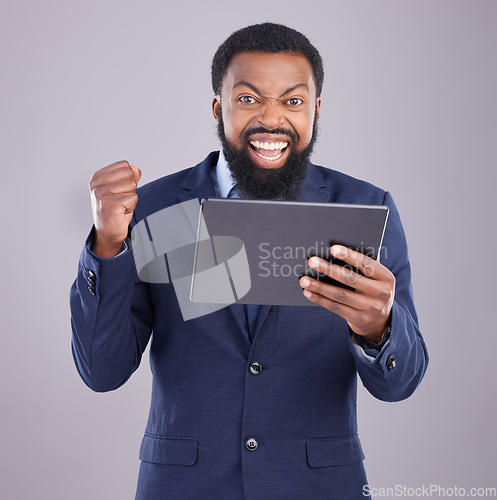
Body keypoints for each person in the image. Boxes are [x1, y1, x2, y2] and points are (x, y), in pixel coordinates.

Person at [70, 23, 428, 500]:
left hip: (319, 486)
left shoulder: (366, 208)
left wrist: (378, 327)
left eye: (293, 101)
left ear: (316, 112)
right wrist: (107, 244)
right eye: (248, 99)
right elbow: (101, 371)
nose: (271, 119)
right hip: (184, 486)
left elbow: (400, 383)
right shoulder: (156, 208)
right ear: (218, 108)